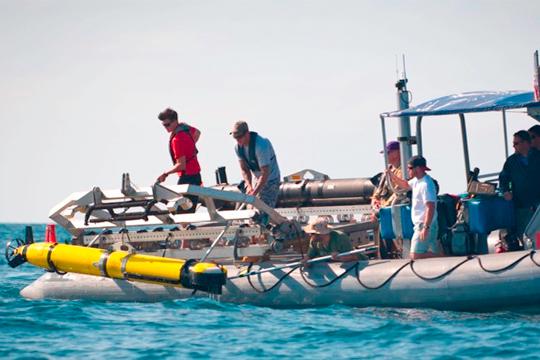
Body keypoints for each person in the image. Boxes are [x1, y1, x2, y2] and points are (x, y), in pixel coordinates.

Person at [388, 155, 440, 260]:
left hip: (424, 225)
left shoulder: (426, 184)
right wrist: (391, 175)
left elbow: (430, 206)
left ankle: (447, 258)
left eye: (410, 168)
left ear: (418, 169)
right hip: (422, 225)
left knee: (415, 255)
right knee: (428, 252)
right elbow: (405, 185)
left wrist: (425, 228)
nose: (408, 170)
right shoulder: (417, 181)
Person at [499, 130, 540, 249]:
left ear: (526, 143)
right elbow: (503, 179)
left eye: (516, 143)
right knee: (525, 234)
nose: (514, 146)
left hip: (538, 204)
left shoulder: (538, 156)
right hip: (522, 206)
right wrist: (505, 191)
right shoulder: (511, 161)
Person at [156, 108, 202, 211]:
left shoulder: (177, 139)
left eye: (167, 125)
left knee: (183, 211)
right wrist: (190, 147)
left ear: (175, 121)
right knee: (187, 209)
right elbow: (198, 132)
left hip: (187, 178)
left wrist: (165, 173)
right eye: (164, 125)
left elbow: (181, 165)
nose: (166, 128)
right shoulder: (185, 129)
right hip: (196, 176)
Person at [231, 121, 281, 207]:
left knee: (263, 210)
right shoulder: (238, 148)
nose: (237, 140)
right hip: (257, 179)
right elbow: (244, 169)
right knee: (250, 208)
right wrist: (249, 186)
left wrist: (255, 192)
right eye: (235, 138)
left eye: (239, 137)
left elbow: (265, 173)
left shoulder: (261, 145)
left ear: (247, 134)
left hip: (270, 179)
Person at [371, 141, 403, 212]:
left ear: (398, 152)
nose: (385, 156)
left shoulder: (404, 171)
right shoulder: (387, 170)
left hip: (396, 210)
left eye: (388, 153)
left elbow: (398, 191)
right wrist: (374, 202)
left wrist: (385, 206)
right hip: (385, 210)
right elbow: (378, 190)